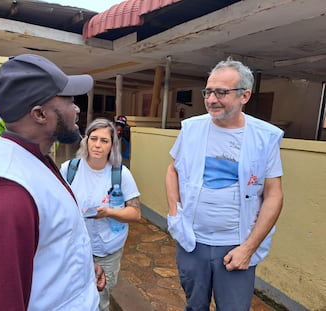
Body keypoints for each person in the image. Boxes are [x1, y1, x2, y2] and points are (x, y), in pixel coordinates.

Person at [0, 54, 106, 311]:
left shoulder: (33, 160)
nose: (77, 108)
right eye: (68, 99)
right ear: (39, 114)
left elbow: (47, 243)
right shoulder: (6, 197)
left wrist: (79, 269)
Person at [165, 58, 284, 311]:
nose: (211, 99)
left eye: (221, 92)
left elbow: (273, 194)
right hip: (192, 241)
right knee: (194, 305)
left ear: (245, 95)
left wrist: (249, 248)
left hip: (236, 245)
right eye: (208, 91)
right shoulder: (191, 128)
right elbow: (172, 170)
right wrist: (175, 214)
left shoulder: (265, 137)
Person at [60, 118, 141, 311]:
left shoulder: (120, 174)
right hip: (75, 249)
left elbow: (136, 213)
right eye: (93, 138)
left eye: (104, 141)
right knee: (72, 296)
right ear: (85, 141)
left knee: (100, 299)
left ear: (112, 145)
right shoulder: (69, 169)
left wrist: (109, 212)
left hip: (107, 251)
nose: (97, 145)